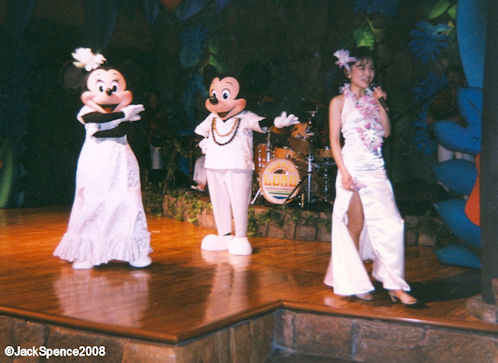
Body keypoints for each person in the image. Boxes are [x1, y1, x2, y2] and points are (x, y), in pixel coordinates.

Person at [323, 47, 417, 305]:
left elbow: (386, 133)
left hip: (376, 168)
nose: (367, 73)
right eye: (361, 67)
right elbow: (333, 140)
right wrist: (343, 172)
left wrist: (380, 103)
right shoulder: (338, 102)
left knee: (393, 223)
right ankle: (354, 282)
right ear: (347, 70)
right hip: (352, 167)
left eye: (371, 68)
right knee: (355, 225)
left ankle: (394, 284)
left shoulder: (374, 100)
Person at [54, 48, 152, 269]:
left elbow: (120, 131)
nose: (108, 92)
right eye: (101, 87)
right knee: (92, 203)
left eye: (115, 87)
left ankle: (132, 251)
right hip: (96, 163)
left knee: (127, 203)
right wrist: (122, 114)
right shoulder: (85, 112)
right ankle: (87, 252)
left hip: (122, 162)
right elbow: (100, 128)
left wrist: (123, 115)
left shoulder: (127, 112)